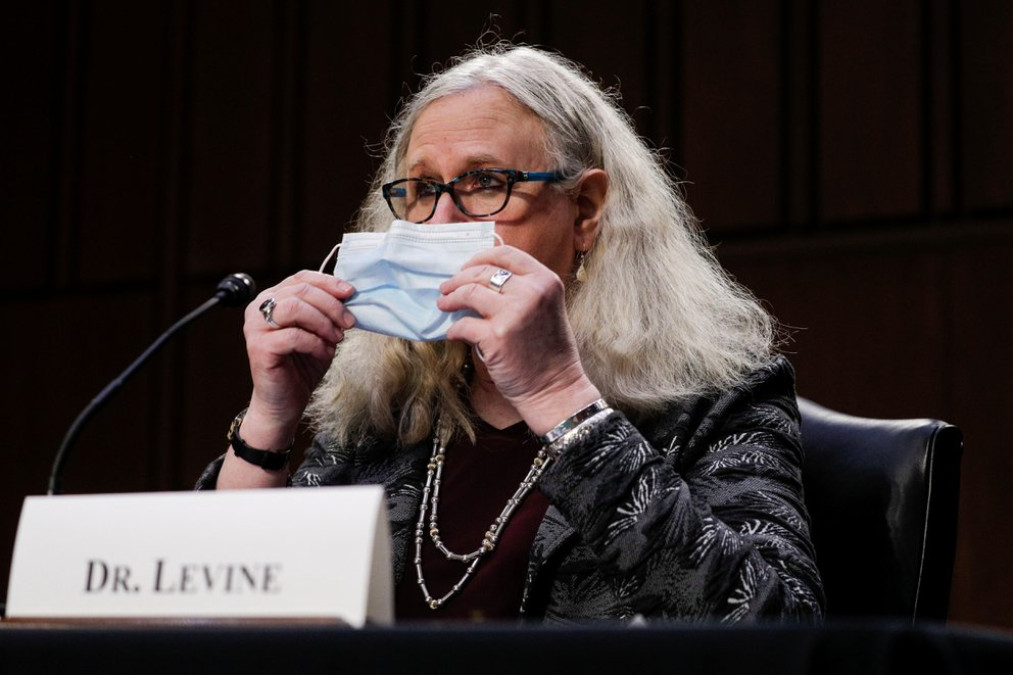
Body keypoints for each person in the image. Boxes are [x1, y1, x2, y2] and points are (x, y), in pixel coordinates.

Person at [198, 43, 824, 624]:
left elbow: (776, 627)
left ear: (584, 212)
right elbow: (231, 620)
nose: (441, 221)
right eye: (420, 190)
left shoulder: (719, 400)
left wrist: (557, 394)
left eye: (485, 183)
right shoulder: (385, 412)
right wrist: (270, 422)